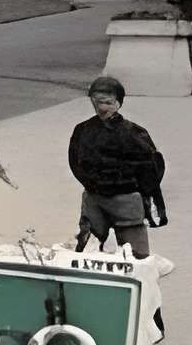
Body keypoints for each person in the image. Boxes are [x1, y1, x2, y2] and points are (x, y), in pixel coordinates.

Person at [67, 75, 167, 261]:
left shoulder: (134, 133)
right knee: (88, 251)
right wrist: (92, 183)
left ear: (118, 103)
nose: (102, 108)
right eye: (97, 102)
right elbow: (75, 161)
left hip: (126, 201)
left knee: (137, 257)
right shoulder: (83, 130)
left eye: (107, 102)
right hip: (94, 200)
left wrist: (136, 189)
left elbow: (153, 166)